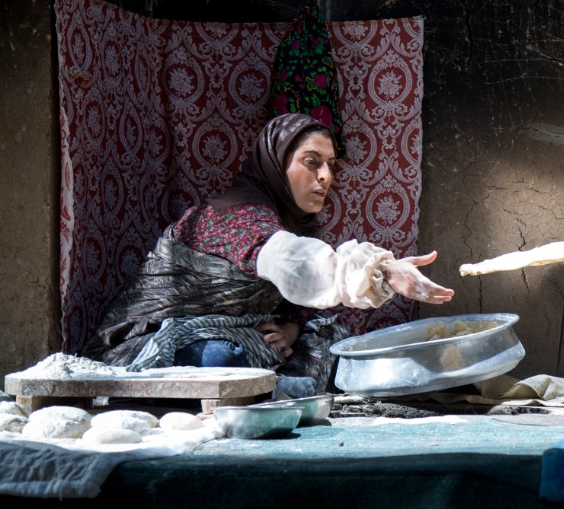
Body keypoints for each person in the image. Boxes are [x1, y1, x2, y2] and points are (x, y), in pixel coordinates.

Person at [81, 112, 454, 397]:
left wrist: (291, 325)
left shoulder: (284, 221)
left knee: (331, 342)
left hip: (240, 336)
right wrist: (383, 271)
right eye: (312, 162)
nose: (326, 176)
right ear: (277, 164)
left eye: (330, 166)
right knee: (224, 362)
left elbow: (290, 290)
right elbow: (294, 262)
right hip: (144, 345)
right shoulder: (233, 214)